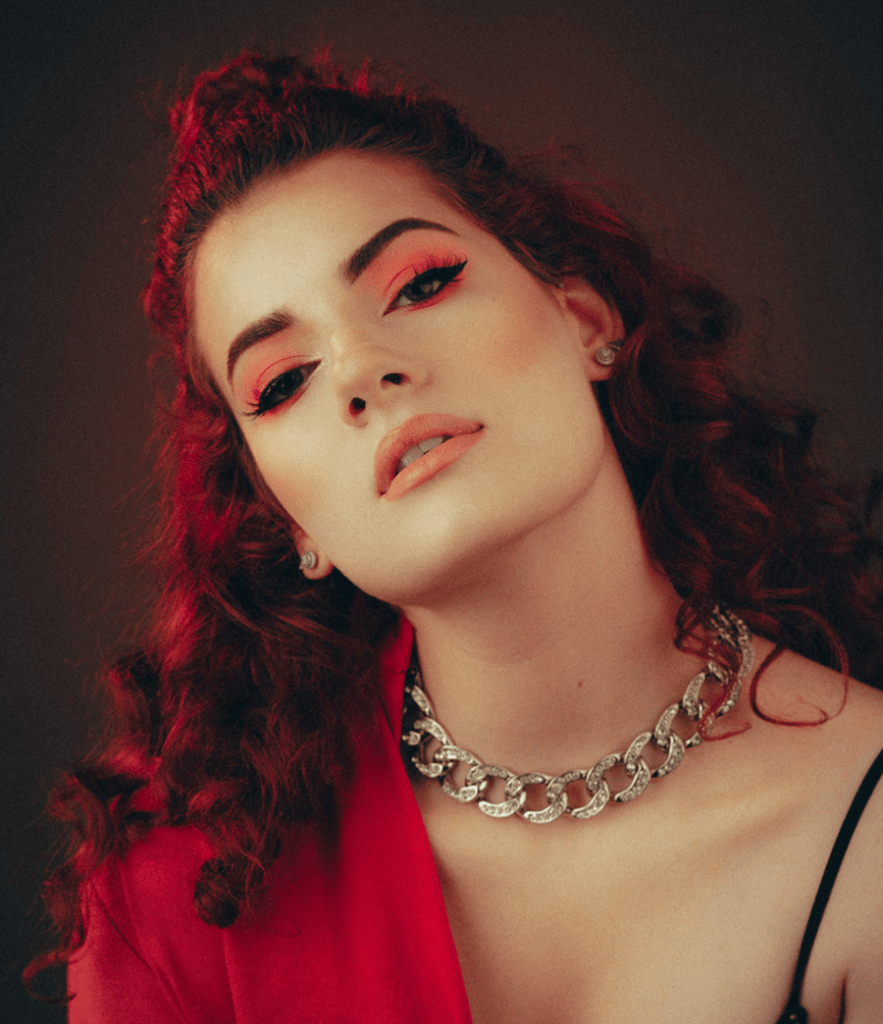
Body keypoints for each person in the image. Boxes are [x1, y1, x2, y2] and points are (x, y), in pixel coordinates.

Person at [28, 51, 883, 1023]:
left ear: (584, 320)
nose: (361, 369)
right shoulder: (178, 897)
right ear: (287, 517)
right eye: (283, 381)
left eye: (420, 284)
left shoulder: (863, 820)